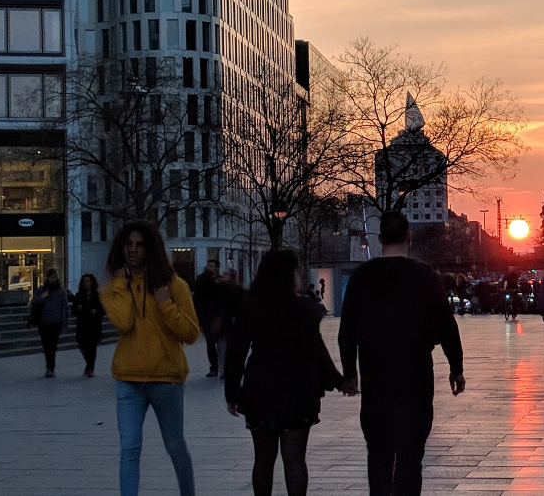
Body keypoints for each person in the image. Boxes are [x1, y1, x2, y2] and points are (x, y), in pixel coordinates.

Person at [338, 211, 465, 495]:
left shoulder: (361, 277)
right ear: (409, 237)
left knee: (378, 452)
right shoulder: (424, 275)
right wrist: (456, 368)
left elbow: (347, 331)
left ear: (381, 238)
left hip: (376, 378)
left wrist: (350, 373)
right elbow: (446, 325)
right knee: (410, 457)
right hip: (415, 378)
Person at [224, 250, 347, 496]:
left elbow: (236, 352)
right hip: (298, 390)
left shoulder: (251, 307)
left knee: (263, 460)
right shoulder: (302, 308)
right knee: (295, 460)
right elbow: (316, 349)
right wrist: (339, 381)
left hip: (261, 388)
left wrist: (232, 392)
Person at [101, 220, 200, 496]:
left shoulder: (174, 285)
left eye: (140, 244)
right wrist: (120, 285)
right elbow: (124, 322)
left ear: (151, 248)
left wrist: (164, 303)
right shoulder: (113, 288)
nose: (133, 250)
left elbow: (191, 333)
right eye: (128, 244)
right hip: (127, 378)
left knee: (175, 445)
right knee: (129, 447)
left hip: (166, 379)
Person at [30, 268, 69, 377]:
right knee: (46, 345)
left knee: (53, 345)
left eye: (54, 277)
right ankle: (49, 366)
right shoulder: (41, 290)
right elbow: (33, 303)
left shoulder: (60, 291)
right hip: (43, 322)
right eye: (51, 277)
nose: (52, 279)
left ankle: (51, 367)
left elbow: (64, 307)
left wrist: (64, 321)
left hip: (56, 322)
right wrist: (43, 297)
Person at [193, 259, 224, 378]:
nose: (209, 267)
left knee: (221, 344)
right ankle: (214, 367)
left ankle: (221, 366)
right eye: (208, 265)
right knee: (210, 343)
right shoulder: (202, 280)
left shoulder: (219, 282)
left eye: (211, 265)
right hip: (206, 316)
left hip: (218, 316)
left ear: (216, 267)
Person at [72, 274, 104, 377]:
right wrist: (78, 307)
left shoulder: (97, 295)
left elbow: (103, 309)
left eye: (88, 282)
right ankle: (89, 363)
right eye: (84, 282)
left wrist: (96, 311)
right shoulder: (79, 295)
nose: (86, 284)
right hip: (82, 324)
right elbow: (73, 309)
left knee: (92, 346)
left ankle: (90, 366)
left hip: (94, 324)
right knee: (83, 345)